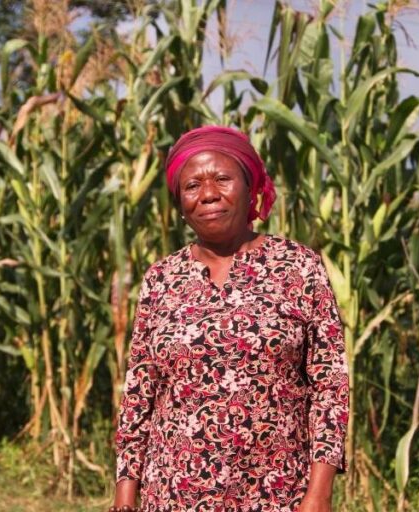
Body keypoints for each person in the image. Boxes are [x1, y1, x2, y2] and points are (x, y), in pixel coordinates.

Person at [110, 126, 350, 512]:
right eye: (192, 186)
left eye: (222, 179)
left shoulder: (298, 267)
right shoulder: (161, 278)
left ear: (250, 186)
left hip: (277, 489)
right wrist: (126, 488)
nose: (207, 194)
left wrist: (319, 492)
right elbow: (140, 389)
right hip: (173, 490)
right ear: (180, 202)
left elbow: (330, 384)